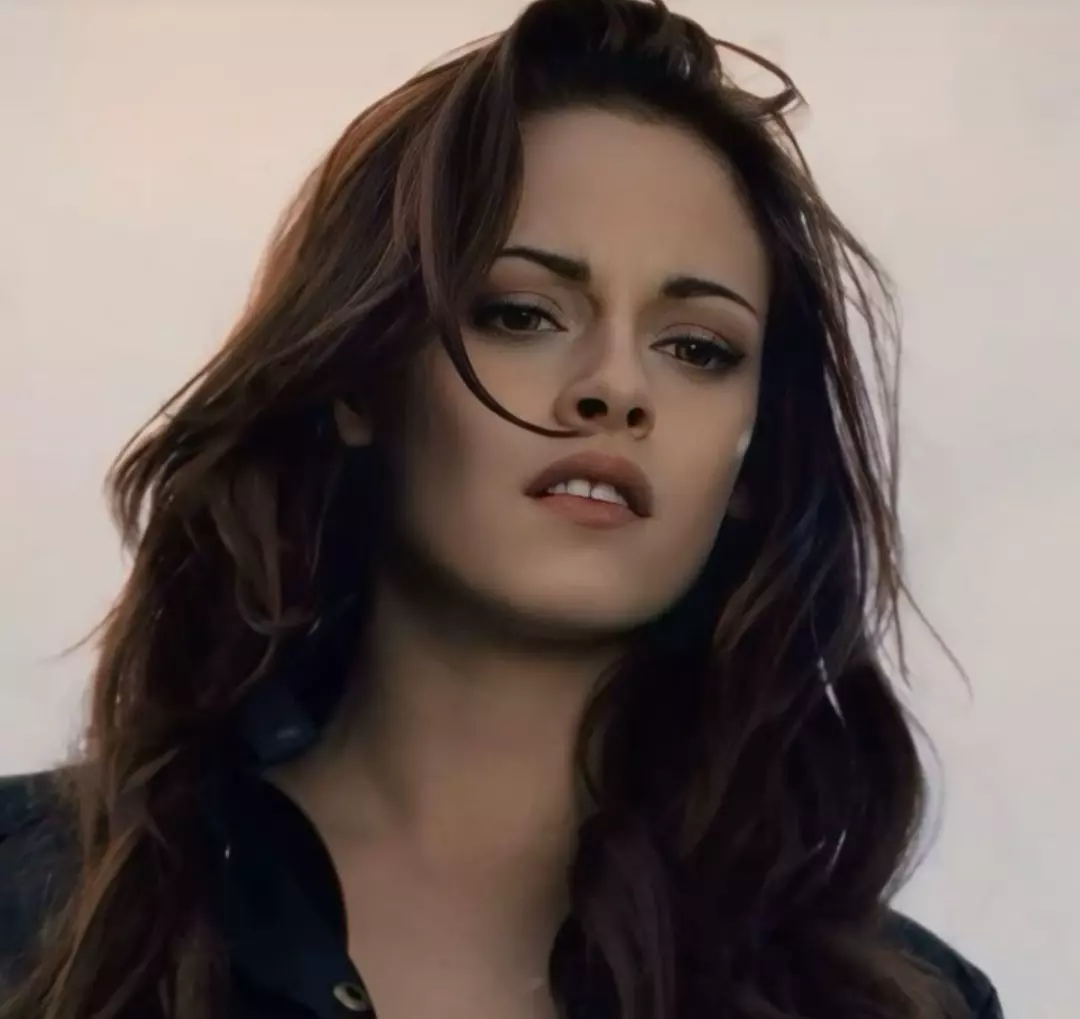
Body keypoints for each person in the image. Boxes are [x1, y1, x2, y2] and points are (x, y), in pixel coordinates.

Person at [0, 1, 1004, 1017]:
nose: (616, 388)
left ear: (755, 457)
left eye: (697, 347)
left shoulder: (898, 1000)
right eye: (522, 313)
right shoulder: (31, 897)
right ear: (361, 380)